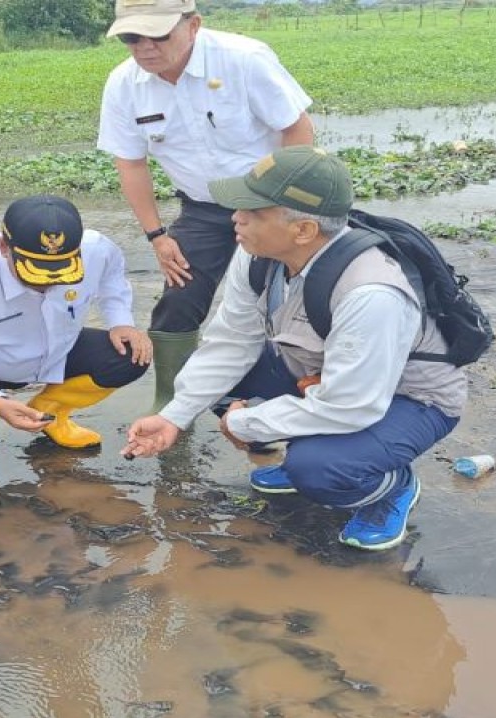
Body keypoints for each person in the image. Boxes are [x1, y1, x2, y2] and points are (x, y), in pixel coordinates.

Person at [122, 147, 467, 552]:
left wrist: (247, 423)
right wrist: (173, 418)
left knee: (320, 469)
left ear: (302, 230)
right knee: (225, 384)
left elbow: (353, 405)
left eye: (253, 210)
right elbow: (231, 342)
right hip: (324, 374)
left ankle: (391, 487)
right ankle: (320, 450)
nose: (236, 217)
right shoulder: (257, 255)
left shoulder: (371, 293)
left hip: (409, 398)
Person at [97, 0, 314, 412]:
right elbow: (130, 162)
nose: (144, 47)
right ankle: (171, 401)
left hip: (270, 203)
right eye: (131, 37)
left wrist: (284, 210)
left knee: (286, 302)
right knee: (179, 299)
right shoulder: (124, 84)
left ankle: (295, 396)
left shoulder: (243, 59)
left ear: (193, 25)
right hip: (202, 209)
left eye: (157, 34)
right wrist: (158, 236)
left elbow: (297, 128)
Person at [0, 196, 153, 474]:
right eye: (35, 273)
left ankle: (52, 414)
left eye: (60, 272)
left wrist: (122, 321)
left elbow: (112, 278)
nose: (47, 284)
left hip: (56, 350)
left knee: (132, 355)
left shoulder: (96, 248)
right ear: (3, 246)